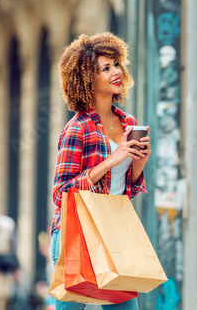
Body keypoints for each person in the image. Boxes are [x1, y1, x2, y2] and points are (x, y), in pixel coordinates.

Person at [51, 32, 150, 310]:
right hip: (77, 232)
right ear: (87, 80)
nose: (116, 72)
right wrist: (111, 160)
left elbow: (125, 188)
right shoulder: (77, 129)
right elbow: (60, 194)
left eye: (116, 64)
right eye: (105, 69)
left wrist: (138, 163)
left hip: (114, 231)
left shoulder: (128, 122)